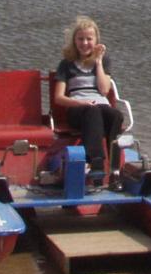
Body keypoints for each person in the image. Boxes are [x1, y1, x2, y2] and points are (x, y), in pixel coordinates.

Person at [52, 16, 124, 180]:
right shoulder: (66, 64)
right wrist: (80, 102)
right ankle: (96, 163)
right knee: (93, 112)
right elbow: (59, 97)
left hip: (100, 105)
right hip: (78, 109)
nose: (85, 43)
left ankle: (115, 169)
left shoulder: (103, 61)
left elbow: (105, 90)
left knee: (116, 115)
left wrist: (98, 62)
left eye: (89, 39)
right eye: (80, 39)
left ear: (96, 40)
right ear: (74, 41)